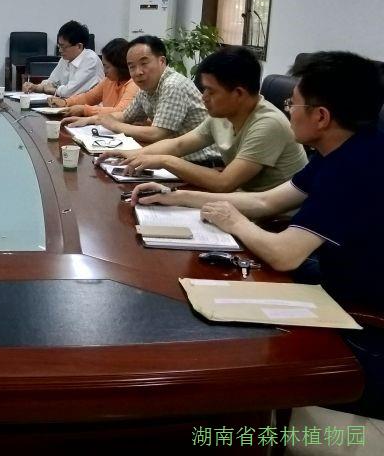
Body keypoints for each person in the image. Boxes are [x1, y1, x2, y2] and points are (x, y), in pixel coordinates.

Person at [131, 52, 384, 416]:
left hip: (364, 322)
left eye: (292, 105)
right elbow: (266, 201)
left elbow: (285, 254)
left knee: (223, 355)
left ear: (321, 117)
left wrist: (233, 221)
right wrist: (175, 197)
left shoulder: (355, 168)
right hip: (338, 278)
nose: (287, 111)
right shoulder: (343, 149)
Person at [96, 47, 307, 192]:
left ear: (238, 93)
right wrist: (130, 155)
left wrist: (164, 160)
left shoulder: (268, 124)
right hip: (244, 201)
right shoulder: (223, 114)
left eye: (210, 91)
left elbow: (224, 183)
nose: (203, 97)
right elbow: (179, 145)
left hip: (277, 221)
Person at [63, 35, 220, 164]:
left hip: (203, 161)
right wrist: (92, 120)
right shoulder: (147, 87)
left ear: (162, 61)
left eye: (144, 63)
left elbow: (157, 134)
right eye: (132, 66)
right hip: (173, 158)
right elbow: (126, 116)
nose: (138, 72)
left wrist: (115, 125)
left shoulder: (172, 85)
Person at [47, 38, 138, 116]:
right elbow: (88, 97)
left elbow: (121, 112)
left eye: (107, 66)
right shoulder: (109, 80)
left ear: (119, 66)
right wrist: (66, 102)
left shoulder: (133, 84)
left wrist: (84, 110)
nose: (104, 71)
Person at [22, 20, 103, 98]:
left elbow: (69, 92)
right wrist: (35, 87)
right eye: (59, 46)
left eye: (63, 47)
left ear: (79, 46)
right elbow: (52, 82)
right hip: (67, 104)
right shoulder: (65, 59)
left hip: (89, 106)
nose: (60, 50)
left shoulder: (91, 60)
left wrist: (51, 90)